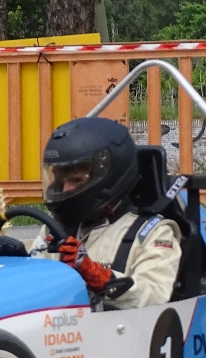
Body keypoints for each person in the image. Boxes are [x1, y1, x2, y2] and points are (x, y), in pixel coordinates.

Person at [36, 117, 182, 309]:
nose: (65, 189)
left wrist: (99, 277)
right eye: (61, 181)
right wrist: (12, 261)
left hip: (122, 325)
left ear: (109, 177)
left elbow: (153, 294)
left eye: (76, 180)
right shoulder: (55, 228)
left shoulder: (153, 233)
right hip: (61, 323)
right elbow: (35, 280)